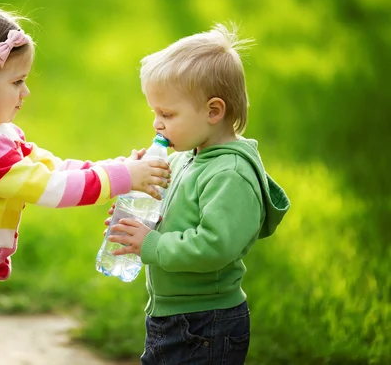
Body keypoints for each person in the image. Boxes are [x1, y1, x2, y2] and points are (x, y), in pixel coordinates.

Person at [0, 0, 170, 365]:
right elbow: (53, 189)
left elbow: (56, 168)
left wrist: (122, 167)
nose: (25, 92)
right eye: (17, 81)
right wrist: (122, 179)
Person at [106, 23, 291, 364]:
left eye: (167, 114)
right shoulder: (186, 157)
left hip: (206, 323)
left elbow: (215, 246)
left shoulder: (230, 175)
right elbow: (176, 212)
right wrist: (139, 203)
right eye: (154, 113)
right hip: (177, 314)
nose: (156, 124)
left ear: (213, 111)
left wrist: (152, 244)